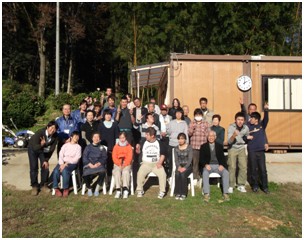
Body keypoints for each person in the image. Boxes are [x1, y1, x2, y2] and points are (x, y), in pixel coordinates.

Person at [27, 121, 58, 195]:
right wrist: (41, 144)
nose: (52, 130)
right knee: (34, 167)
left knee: (45, 166)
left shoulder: (55, 136)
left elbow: (51, 149)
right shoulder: (39, 133)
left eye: (55, 128)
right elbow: (35, 148)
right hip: (33, 149)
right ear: (47, 127)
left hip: (43, 150)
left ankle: (43, 184)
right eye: (51, 127)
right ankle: (34, 186)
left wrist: (46, 160)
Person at [136, 127, 167, 199]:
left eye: (147, 135)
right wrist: (137, 150)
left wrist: (160, 162)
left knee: (162, 174)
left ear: (152, 136)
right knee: (140, 173)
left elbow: (163, 154)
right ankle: (140, 190)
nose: (145, 136)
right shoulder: (143, 141)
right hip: (146, 163)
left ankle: (162, 191)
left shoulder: (159, 143)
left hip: (156, 163)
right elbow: (139, 152)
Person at [200, 131, 230, 202]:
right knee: (205, 173)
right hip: (208, 165)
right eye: (209, 136)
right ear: (207, 137)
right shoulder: (203, 146)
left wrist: (222, 165)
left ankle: (225, 193)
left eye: (212, 136)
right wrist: (205, 165)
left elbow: (223, 158)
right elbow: (201, 159)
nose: (211, 137)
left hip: (218, 165)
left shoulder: (219, 146)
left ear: (215, 137)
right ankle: (206, 194)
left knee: (226, 173)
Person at [227, 112, 252, 194]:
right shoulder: (231, 127)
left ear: (244, 121)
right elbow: (229, 142)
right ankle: (231, 185)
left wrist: (248, 138)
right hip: (233, 148)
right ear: (235, 120)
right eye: (238, 119)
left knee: (243, 166)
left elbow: (246, 137)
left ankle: (241, 185)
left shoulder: (246, 128)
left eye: (242, 120)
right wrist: (234, 135)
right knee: (232, 167)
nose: (240, 121)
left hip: (242, 147)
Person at [52, 131, 82, 197]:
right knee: (56, 171)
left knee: (65, 170)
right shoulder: (65, 145)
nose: (76, 138)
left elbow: (76, 159)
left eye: (78, 136)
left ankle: (66, 188)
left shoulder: (78, 147)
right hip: (62, 162)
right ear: (71, 137)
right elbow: (61, 155)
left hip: (72, 164)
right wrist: (62, 163)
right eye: (75, 136)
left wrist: (66, 163)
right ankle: (56, 188)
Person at [247, 111, 270, 194]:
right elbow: (243, 136)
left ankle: (265, 187)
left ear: (256, 119)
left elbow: (266, 119)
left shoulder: (261, 125)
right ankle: (255, 186)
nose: (250, 119)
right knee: (253, 169)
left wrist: (266, 110)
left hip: (260, 151)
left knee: (263, 170)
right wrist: (247, 137)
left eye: (252, 118)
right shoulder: (248, 126)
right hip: (252, 150)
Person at [188, 108, 210, 185]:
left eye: (199, 115)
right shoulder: (191, 123)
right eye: (196, 115)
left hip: (203, 146)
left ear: (202, 115)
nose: (198, 116)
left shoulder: (206, 123)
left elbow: (208, 135)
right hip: (194, 146)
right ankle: (195, 177)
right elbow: (189, 134)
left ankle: (203, 176)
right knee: (195, 163)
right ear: (194, 116)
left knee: (203, 163)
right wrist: (192, 128)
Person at [82, 132, 108, 197]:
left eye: (98, 137)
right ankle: (89, 188)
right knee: (85, 174)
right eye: (95, 137)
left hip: (98, 165)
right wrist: (89, 164)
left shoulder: (102, 148)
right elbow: (84, 157)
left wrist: (99, 163)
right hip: (89, 165)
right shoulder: (88, 147)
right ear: (92, 138)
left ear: (100, 139)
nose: (96, 139)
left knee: (102, 172)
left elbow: (104, 157)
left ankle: (97, 188)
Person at [167, 107, 189, 178]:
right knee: (171, 161)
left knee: (179, 161)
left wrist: (187, 144)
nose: (178, 114)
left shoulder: (184, 123)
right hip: (172, 144)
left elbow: (186, 134)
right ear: (175, 114)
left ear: (182, 114)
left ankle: (179, 175)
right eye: (177, 113)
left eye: (180, 113)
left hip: (181, 145)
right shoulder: (171, 122)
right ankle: (170, 176)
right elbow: (168, 132)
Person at [98, 110, 120, 180]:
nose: (108, 116)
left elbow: (117, 137)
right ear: (104, 116)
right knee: (103, 163)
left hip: (112, 148)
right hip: (102, 148)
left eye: (109, 114)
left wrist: (116, 147)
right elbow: (98, 137)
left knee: (111, 163)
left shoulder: (114, 125)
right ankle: (103, 179)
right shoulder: (100, 125)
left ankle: (110, 179)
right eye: (106, 114)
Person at [112, 132, 133, 199]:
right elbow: (114, 156)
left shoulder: (128, 146)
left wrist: (125, 164)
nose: (122, 139)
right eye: (120, 138)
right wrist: (119, 164)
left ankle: (125, 189)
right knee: (117, 172)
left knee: (125, 172)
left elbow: (130, 157)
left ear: (125, 138)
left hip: (126, 163)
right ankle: (118, 189)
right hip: (118, 163)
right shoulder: (116, 146)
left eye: (123, 138)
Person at [173, 133, 193, 200]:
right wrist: (178, 167)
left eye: (182, 139)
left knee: (183, 174)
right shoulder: (176, 148)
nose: (180, 140)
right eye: (179, 139)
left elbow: (190, 160)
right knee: (177, 173)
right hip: (179, 166)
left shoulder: (189, 147)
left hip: (188, 166)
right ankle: (177, 192)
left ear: (185, 139)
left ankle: (183, 193)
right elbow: (176, 160)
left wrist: (184, 168)